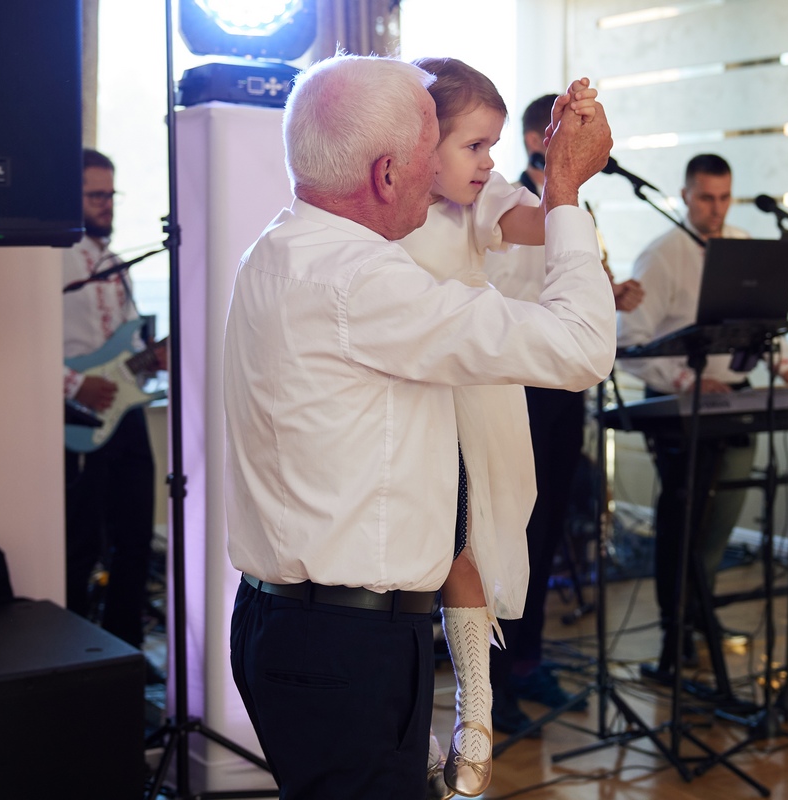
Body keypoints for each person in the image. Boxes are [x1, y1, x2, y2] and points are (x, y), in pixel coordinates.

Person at [223, 54, 615, 800]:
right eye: (432, 144)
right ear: (388, 173)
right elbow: (582, 347)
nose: (457, 168)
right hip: (343, 646)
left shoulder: (277, 247)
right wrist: (564, 190)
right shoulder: (364, 281)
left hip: (287, 626)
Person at [396, 58, 597, 796]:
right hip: (404, 390)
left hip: (471, 391)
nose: (487, 162)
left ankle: (474, 708)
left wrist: (565, 172)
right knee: (404, 556)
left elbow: (538, 222)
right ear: (420, 143)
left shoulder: (478, 202)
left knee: (468, 541)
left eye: (493, 146)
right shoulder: (383, 216)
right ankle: (411, 722)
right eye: (473, 146)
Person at [615, 153, 788, 681]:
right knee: (683, 521)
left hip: (735, 400)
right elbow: (630, 343)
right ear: (686, 195)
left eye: (724, 197)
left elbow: (760, 323)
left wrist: (785, 368)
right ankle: (675, 632)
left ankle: (700, 615)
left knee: (721, 520)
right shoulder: (661, 255)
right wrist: (689, 380)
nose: (716, 208)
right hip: (680, 407)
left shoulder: (743, 245)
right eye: (706, 198)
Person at [483, 93, 643, 735]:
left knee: (548, 528)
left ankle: (529, 661)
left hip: (563, 388)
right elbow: (500, 296)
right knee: (510, 531)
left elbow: (579, 284)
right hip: (517, 383)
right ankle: (490, 683)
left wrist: (611, 293)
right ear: (536, 139)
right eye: (566, 129)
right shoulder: (503, 203)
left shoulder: (577, 206)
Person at [62, 148, 164, 652]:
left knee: (135, 539)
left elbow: (129, 346)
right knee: (80, 543)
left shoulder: (118, 264)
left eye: (110, 194)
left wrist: (154, 357)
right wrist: (73, 385)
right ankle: (72, 652)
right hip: (77, 413)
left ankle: (124, 652)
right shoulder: (51, 259)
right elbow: (25, 343)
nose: (107, 204)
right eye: (95, 195)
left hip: (126, 415)